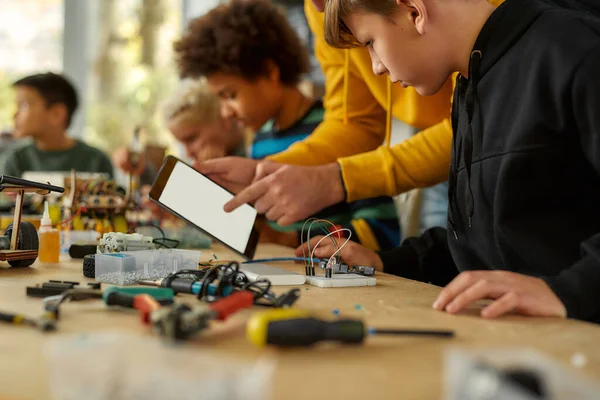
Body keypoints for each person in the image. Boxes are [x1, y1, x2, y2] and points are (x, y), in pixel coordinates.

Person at [296, 0, 600, 323]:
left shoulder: (572, 49)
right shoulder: (471, 84)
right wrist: (387, 262)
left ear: (415, 11)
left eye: (370, 42)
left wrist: (566, 291)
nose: (376, 67)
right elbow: (484, 246)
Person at [197, 0, 509, 229]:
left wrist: (338, 180)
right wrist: (265, 174)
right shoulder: (320, 7)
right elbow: (354, 122)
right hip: (451, 151)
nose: (318, 8)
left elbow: (480, 122)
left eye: (370, 42)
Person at [173, 0, 400, 250]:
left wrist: (289, 240)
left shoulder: (342, 132)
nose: (226, 113)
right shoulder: (260, 142)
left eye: (230, 95)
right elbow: (269, 228)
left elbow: (382, 230)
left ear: (270, 72)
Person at [113, 79, 246, 176]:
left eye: (191, 139)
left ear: (223, 118)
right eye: (182, 143)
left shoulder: (257, 154)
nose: (188, 153)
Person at [1, 73, 113, 177]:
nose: (14, 114)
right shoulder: (15, 160)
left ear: (57, 114)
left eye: (24, 105)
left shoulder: (97, 161)